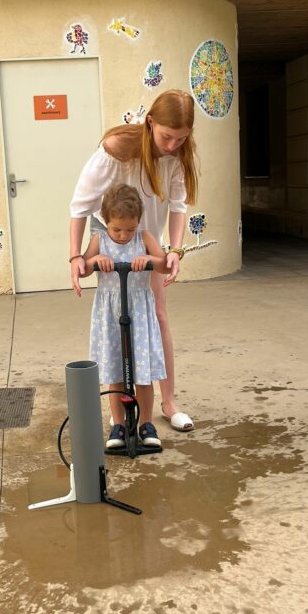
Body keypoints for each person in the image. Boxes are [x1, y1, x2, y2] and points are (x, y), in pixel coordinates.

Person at [70, 89, 199, 432]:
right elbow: (80, 206)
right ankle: (118, 412)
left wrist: (175, 250)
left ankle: (167, 403)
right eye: (167, 136)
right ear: (150, 122)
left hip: (148, 242)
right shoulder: (116, 150)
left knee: (158, 314)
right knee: (117, 321)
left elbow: (178, 205)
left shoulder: (178, 155)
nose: (172, 145)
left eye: (181, 138)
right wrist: (75, 256)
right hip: (114, 237)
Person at [80, 184, 169, 450]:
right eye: (116, 229)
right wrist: (96, 261)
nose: (123, 235)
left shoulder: (145, 238)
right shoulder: (99, 240)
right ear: (105, 221)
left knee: (142, 372)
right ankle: (118, 424)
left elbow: (164, 264)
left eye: (129, 229)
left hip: (139, 311)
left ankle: (146, 423)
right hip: (110, 313)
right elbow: (83, 268)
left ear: (138, 222)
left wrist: (148, 259)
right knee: (115, 369)